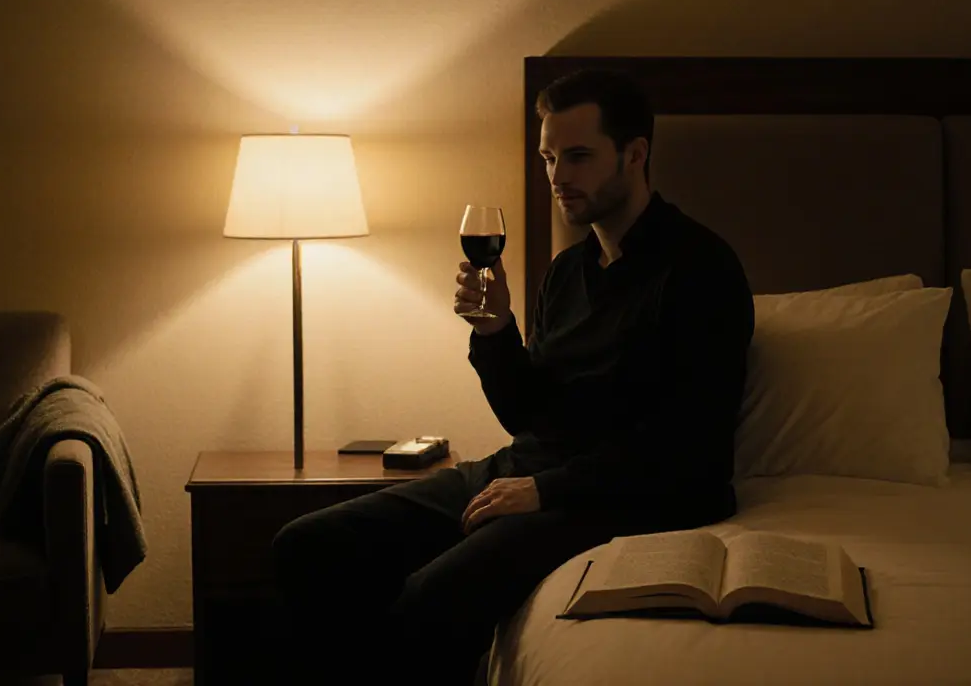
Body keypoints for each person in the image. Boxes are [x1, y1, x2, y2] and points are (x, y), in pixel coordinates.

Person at [270, 69, 754, 685]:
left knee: (428, 601)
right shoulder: (567, 271)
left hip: (623, 498)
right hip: (526, 470)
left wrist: (547, 490)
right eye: (549, 157)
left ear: (635, 155)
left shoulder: (701, 269)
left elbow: (690, 447)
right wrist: (496, 332)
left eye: (578, 157)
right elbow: (529, 416)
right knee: (307, 545)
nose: (557, 176)